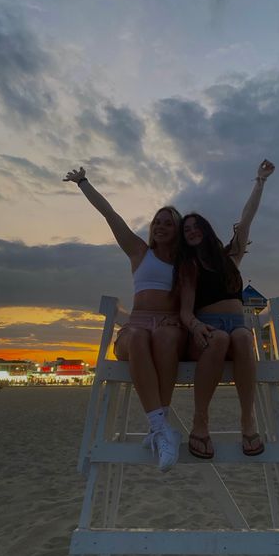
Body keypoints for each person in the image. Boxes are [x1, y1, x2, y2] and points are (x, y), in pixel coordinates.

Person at [63, 166, 187, 472]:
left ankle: (159, 426)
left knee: (167, 337)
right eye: (156, 222)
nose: (159, 226)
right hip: (136, 326)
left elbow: (219, 258)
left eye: (167, 223)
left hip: (169, 327)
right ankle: (160, 428)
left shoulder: (186, 262)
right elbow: (111, 215)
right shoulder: (139, 252)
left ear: (177, 230)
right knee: (139, 337)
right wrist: (83, 183)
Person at [175, 159, 275, 459]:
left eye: (195, 226)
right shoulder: (189, 266)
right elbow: (185, 311)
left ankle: (248, 419)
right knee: (220, 338)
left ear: (205, 230)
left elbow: (246, 220)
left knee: (244, 338)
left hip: (238, 327)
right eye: (186, 229)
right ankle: (200, 421)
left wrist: (260, 181)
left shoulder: (230, 258)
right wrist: (196, 327)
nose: (191, 231)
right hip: (208, 331)